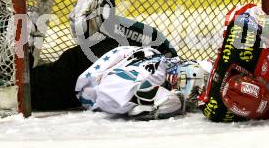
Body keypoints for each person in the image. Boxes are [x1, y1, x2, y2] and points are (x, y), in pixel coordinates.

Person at [0, 0, 179, 111]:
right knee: (29, 84)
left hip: (87, 75)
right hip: (95, 71)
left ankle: (17, 53)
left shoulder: (77, 60)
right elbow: (168, 53)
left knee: (27, 88)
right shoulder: (121, 34)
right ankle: (18, 53)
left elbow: (167, 54)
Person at [75, 45, 210, 120]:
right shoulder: (156, 71)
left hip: (96, 62)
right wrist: (156, 97)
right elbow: (107, 91)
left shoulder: (163, 65)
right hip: (79, 68)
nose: (176, 82)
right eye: (182, 80)